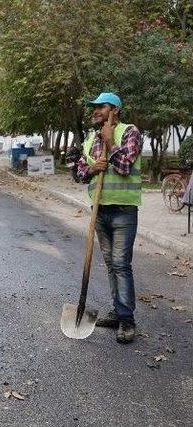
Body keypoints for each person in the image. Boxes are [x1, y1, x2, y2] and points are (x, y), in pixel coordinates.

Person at [76, 92, 143, 343]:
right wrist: (93, 168)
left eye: (100, 107)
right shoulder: (91, 138)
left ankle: (127, 320)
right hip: (99, 211)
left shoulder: (129, 132)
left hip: (123, 210)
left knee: (121, 264)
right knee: (111, 264)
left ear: (114, 109)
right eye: (93, 107)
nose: (94, 111)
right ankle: (117, 311)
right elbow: (81, 171)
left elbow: (125, 166)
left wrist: (111, 144)